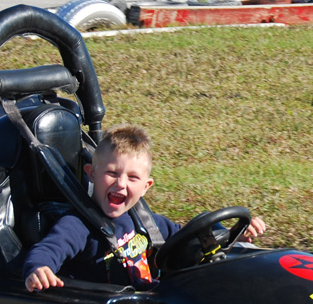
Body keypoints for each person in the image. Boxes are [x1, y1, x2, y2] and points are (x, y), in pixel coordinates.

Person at [23, 124, 267, 292]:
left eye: (132, 178)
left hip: (150, 302)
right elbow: (48, 249)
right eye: (111, 173)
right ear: (91, 174)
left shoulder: (144, 219)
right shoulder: (78, 224)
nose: (120, 183)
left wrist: (237, 235)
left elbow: (188, 236)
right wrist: (39, 269)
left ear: (146, 186)